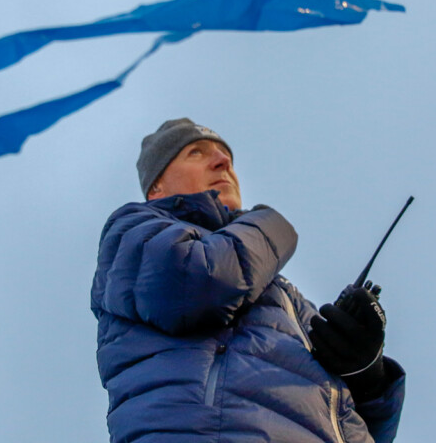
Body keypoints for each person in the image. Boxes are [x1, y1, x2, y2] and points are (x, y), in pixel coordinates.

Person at [91, 118, 405, 443]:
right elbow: (192, 285)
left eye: (225, 155)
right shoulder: (134, 229)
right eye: (195, 153)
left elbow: (346, 421)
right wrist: (270, 224)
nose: (223, 162)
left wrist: (368, 375)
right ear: (156, 188)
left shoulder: (284, 294)